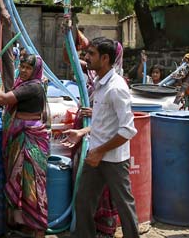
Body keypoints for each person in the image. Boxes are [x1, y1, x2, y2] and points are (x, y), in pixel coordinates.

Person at [61, 37, 139, 238]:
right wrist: (81, 132)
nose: (87, 58)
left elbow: (127, 130)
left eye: (91, 54)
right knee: (84, 200)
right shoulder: (99, 82)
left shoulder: (117, 88)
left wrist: (100, 151)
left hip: (113, 159)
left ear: (105, 58)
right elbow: (103, 123)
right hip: (95, 154)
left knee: (124, 205)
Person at [0, 54, 49, 238]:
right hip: (20, 136)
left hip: (29, 138)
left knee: (33, 182)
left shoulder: (33, 86)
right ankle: (24, 225)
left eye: (28, 68)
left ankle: (38, 229)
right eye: (22, 66)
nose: (24, 70)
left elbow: (5, 99)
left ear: (35, 70)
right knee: (19, 179)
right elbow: (8, 101)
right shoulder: (23, 84)